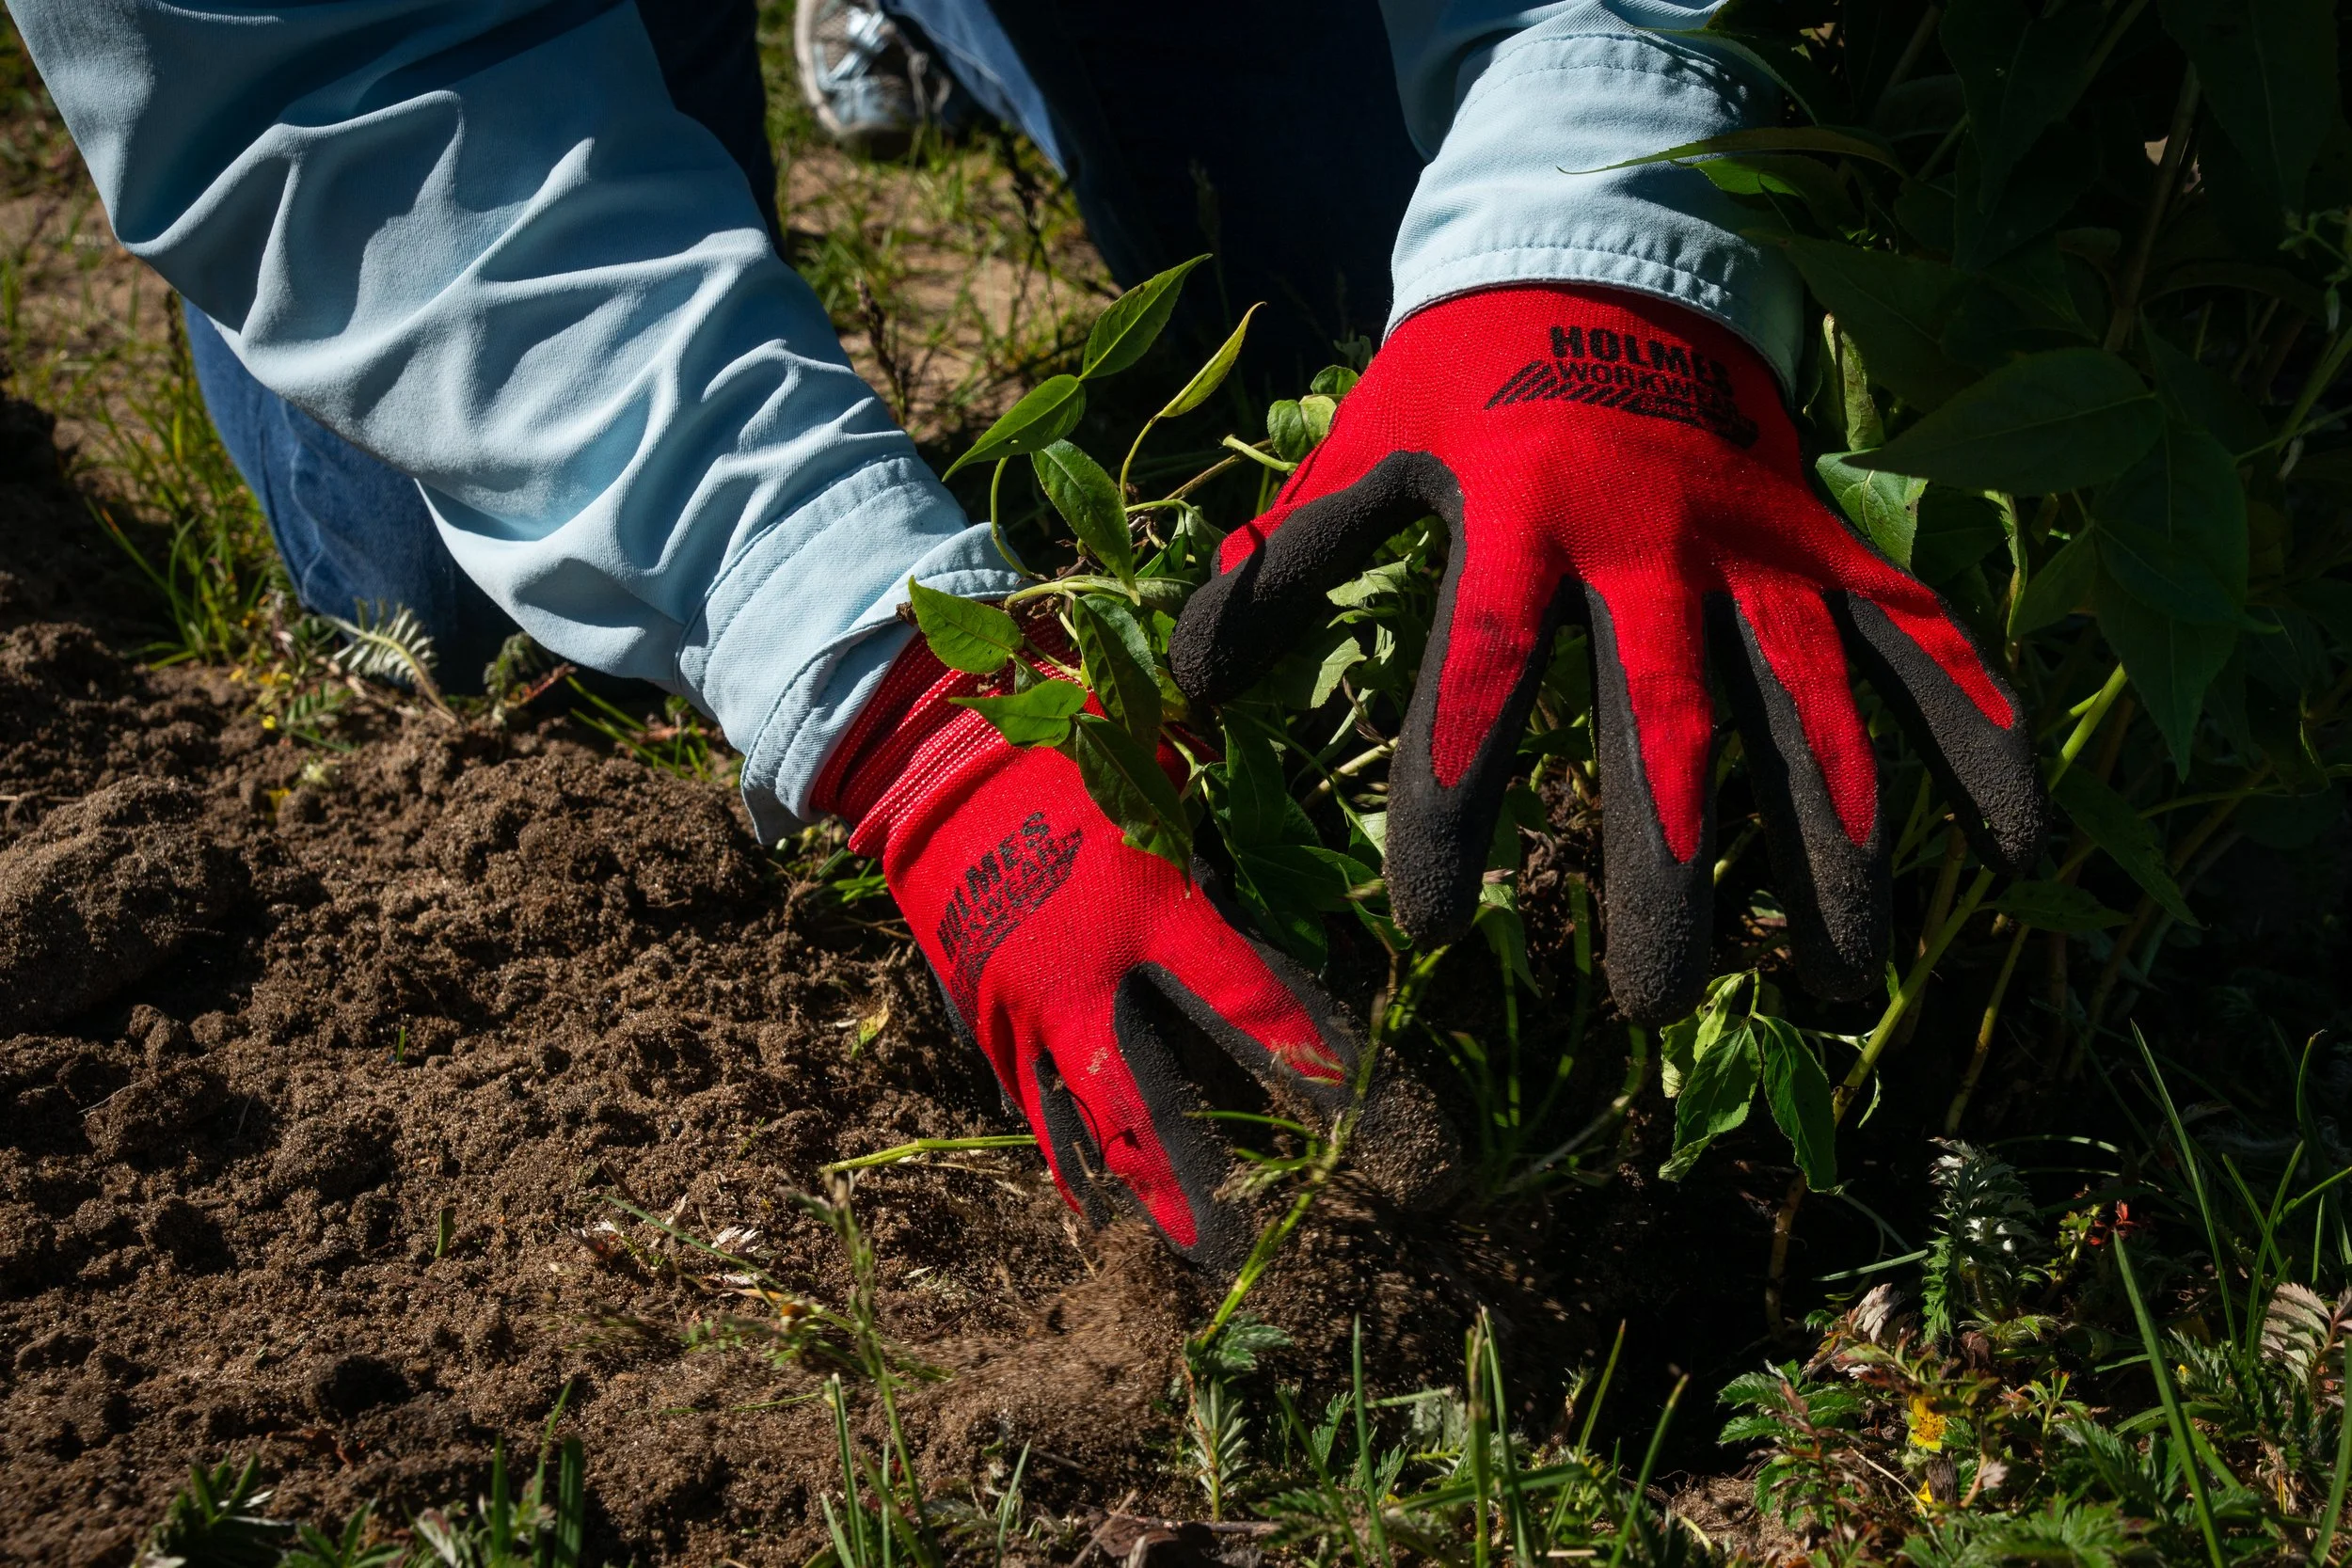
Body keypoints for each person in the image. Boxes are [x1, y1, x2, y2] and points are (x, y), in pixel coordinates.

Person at [10, 0, 2043, 1270]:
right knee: (461, 624)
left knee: (1367, 267)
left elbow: (1579, 166)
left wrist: (1597, 231)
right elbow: (325, 81)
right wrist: (888, 692)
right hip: (414, 47)